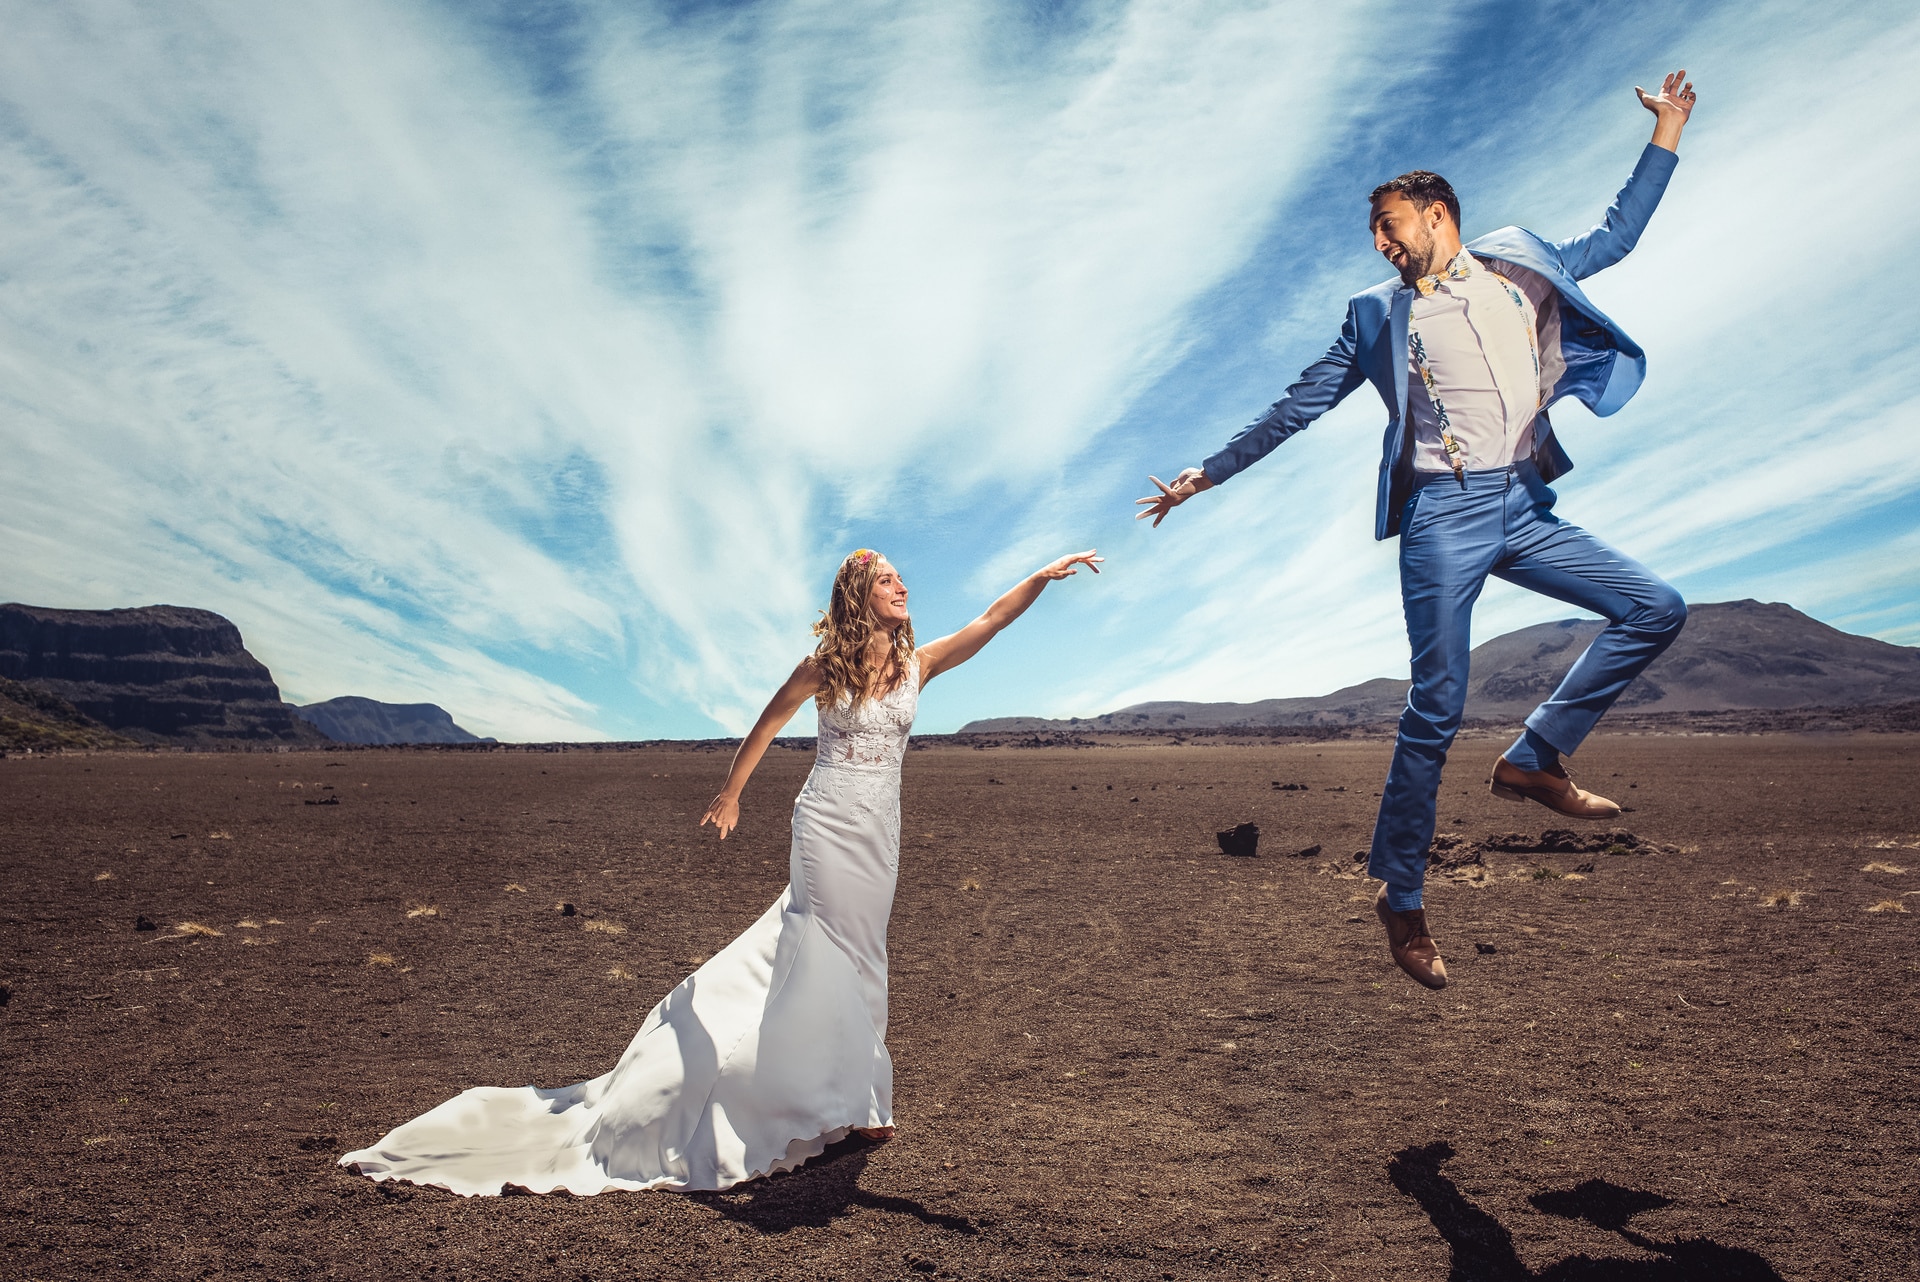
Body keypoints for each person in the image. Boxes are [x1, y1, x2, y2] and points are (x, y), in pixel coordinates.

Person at [1137, 72, 1699, 990]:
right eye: (1375, 234)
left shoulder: (1520, 266)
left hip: (1521, 499)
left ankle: (1535, 757)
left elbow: (1620, 232)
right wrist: (1207, 473)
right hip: (1443, 514)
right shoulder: (1376, 314)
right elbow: (1299, 406)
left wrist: (1669, 130)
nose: (1381, 244)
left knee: (1654, 606)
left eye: (1390, 225)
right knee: (1436, 704)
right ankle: (1401, 896)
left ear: (1437, 214)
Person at [339, 546, 1101, 1195]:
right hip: (827, 826)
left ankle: (860, 1098)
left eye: (903, 580)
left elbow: (992, 619)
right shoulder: (824, 666)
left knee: (866, 953)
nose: (904, 588)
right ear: (859, 597)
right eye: (888, 580)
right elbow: (767, 724)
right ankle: (821, 1103)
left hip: (881, 834)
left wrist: (1044, 573)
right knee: (824, 946)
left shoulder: (918, 667)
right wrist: (732, 792)